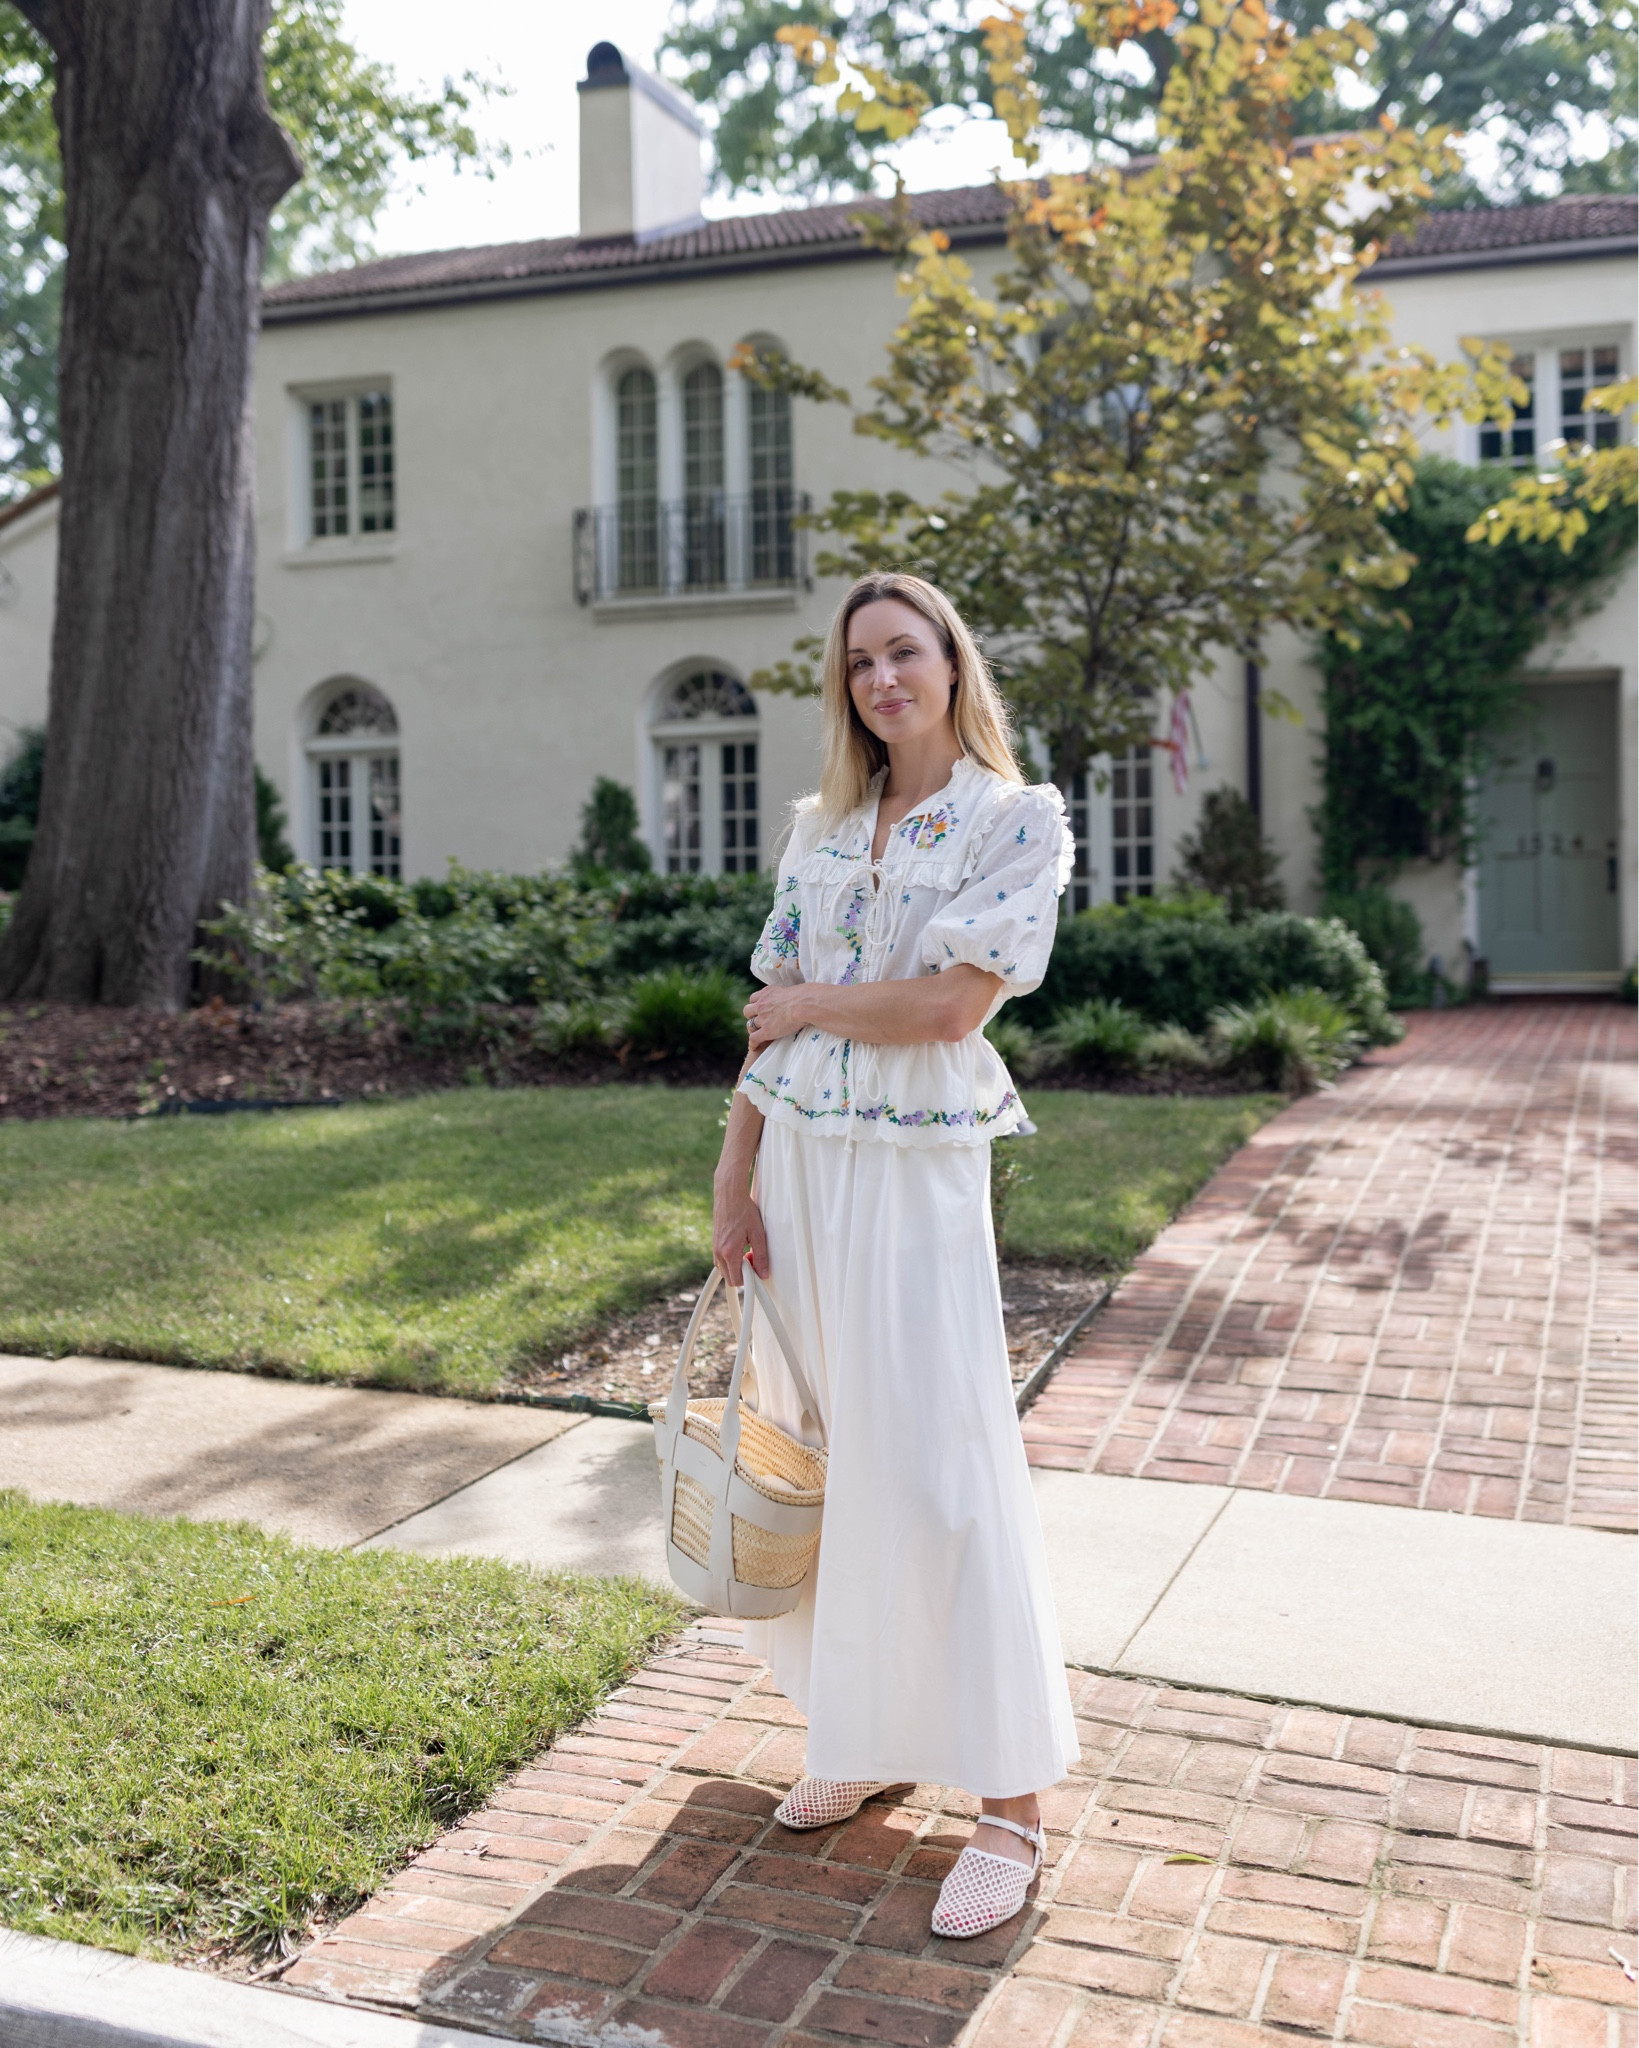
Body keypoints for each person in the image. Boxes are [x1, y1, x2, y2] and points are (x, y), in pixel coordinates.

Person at [711, 570, 1079, 1940]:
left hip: (916, 1172)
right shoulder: (823, 828)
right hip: (801, 1170)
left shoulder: (1014, 819)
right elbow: (768, 1033)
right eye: (859, 661)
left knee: (941, 1466)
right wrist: (733, 1175)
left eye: (903, 653)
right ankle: (865, 1731)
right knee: (843, 1461)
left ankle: (1013, 1803)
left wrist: (809, 999)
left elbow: (950, 1003)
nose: (881, 680)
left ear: (949, 664)